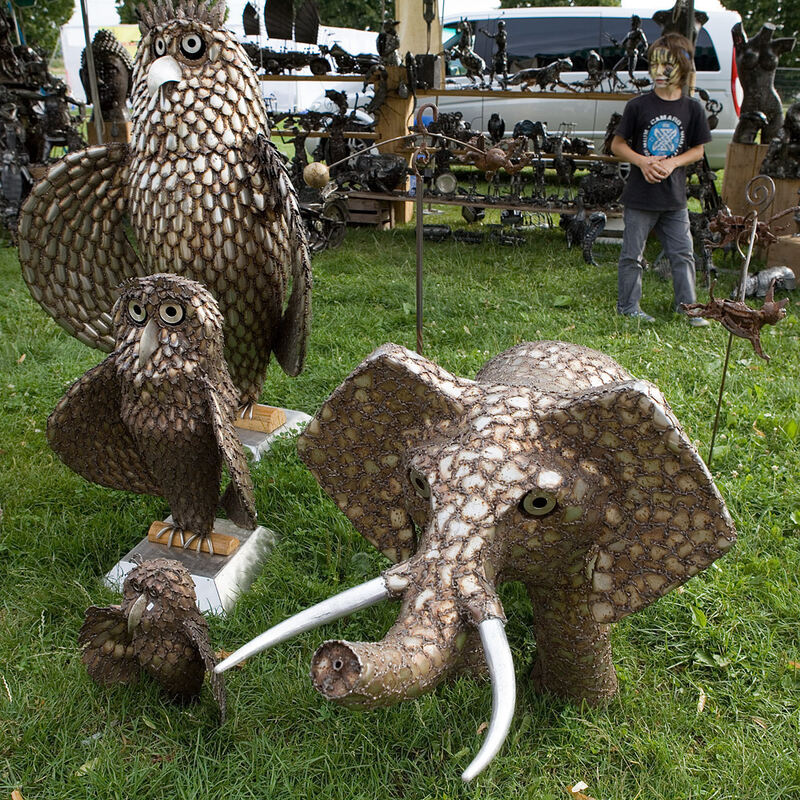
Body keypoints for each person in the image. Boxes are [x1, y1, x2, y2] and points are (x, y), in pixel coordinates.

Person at [611, 33, 712, 326]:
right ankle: (628, 307)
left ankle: (689, 309)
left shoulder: (692, 108)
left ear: (683, 67)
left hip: (674, 199)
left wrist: (672, 163)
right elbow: (617, 145)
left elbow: (698, 150)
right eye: (654, 65)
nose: (659, 72)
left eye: (667, 66)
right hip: (640, 198)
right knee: (632, 255)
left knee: (683, 254)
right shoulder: (638, 106)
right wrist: (642, 161)